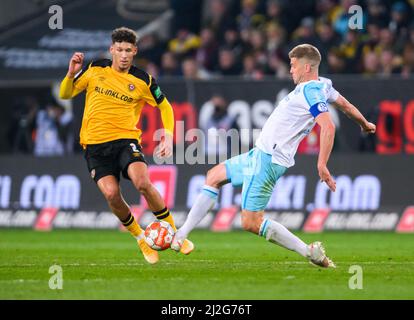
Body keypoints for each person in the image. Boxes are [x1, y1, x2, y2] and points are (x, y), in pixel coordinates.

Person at [171, 44, 376, 268]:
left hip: (267, 160)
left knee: (251, 222)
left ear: (306, 67)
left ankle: (309, 252)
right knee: (214, 176)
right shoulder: (324, 86)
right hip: (258, 154)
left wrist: (322, 164)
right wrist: (364, 124)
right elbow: (345, 105)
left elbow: (328, 127)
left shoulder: (311, 91)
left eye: (293, 65)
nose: (291, 71)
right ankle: (181, 234)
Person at [59, 27, 193, 264]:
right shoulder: (95, 68)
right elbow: (65, 95)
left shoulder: (143, 80)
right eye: (119, 50)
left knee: (142, 182)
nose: (123, 55)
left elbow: (165, 107)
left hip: (125, 141)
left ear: (135, 52)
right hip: (94, 146)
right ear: (112, 50)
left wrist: (167, 135)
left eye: (128, 50)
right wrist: (71, 74)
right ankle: (141, 238)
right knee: (112, 194)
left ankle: (176, 235)